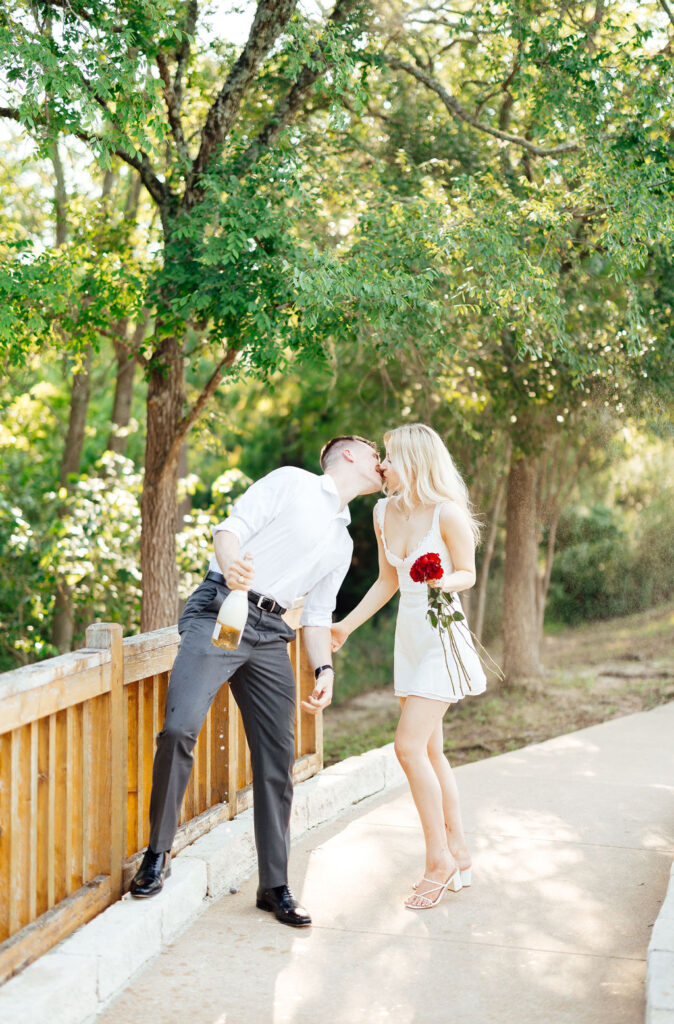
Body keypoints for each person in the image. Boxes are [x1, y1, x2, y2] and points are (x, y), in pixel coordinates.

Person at [130, 435, 383, 927]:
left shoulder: (342, 539)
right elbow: (229, 531)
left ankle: (274, 885)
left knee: (277, 758)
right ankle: (156, 855)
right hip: (223, 610)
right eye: (378, 455)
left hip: (271, 635)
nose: (384, 464)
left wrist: (324, 669)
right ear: (349, 454)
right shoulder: (293, 483)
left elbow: (317, 614)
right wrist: (233, 566)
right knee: (180, 729)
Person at [331, 423, 486, 910]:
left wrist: (443, 584)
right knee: (432, 752)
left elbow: (469, 572)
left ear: (415, 462)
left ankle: (438, 859)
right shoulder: (381, 511)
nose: (382, 467)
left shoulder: (448, 514)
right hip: (410, 639)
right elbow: (386, 582)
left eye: (391, 459)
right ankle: (458, 848)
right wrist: (344, 627)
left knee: (407, 746)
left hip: (443, 637)